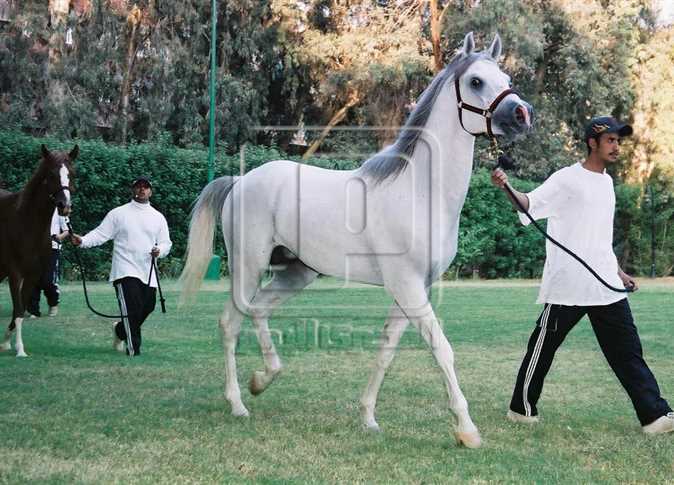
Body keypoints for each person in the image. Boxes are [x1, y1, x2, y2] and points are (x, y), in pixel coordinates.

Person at [491, 116, 673, 435]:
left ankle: (655, 417)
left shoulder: (606, 182)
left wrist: (618, 272)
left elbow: (600, 238)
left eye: (619, 141)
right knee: (542, 349)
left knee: (628, 353)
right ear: (593, 142)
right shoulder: (567, 179)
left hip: (606, 286)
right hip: (569, 287)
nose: (617, 146)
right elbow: (529, 204)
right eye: (611, 141)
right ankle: (521, 409)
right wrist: (507, 185)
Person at [71, 176, 171, 356]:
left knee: (147, 307)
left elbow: (166, 243)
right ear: (133, 190)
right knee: (132, 309)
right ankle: (133, 351)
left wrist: (160, 250)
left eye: (145, 187)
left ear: (150, 191)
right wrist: (83, 240)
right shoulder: (118, 213)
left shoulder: (158, 217)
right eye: (138, 186)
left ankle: (119, 331)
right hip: (124, 270)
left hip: (148, 272)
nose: (142, 189)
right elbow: (101, 234)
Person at [27, 208, 69, 318]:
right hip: (33, 248)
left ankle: (53, 303)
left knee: (48, 280)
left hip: (52, 248)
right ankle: (33, 311)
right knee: (32, 279)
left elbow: (66, 230)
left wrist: (59, 237)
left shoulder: (58, 209)